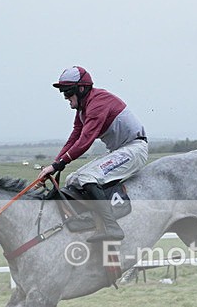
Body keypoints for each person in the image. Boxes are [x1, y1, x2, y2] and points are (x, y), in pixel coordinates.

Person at [37, 66, 148, 242]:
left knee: (88, 177)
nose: (65, 97)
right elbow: (74, 137)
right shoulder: (83, 108)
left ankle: (112, 227)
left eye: (68, 92)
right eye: (63, 93)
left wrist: (58, 164)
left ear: (81, 89)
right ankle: (87, 219)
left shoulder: (98, 103)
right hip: (120, 150)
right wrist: (54, 164)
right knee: (73, 179)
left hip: (134, 149)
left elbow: (85, 141)